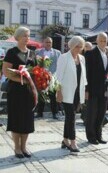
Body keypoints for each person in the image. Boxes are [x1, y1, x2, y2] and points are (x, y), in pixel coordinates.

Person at [3, 26, 37, 158]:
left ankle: (24, 147)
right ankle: (17, 148)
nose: (27, 38)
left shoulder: (32, 53)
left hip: (28, 92)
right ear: (18, 37)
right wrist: (22, 79)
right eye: (24, 36)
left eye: (28, 36)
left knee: (27, 120)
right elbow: (6, 71)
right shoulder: (12, 52)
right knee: (17, 119)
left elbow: (35, 71)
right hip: (16, 91)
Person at [56, 36, 87, 154]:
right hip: (66, 92)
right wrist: (58, 92)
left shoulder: (82, 58)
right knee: (71, 118)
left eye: (81, 46)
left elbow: (83, 77)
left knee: (70, 117)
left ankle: (65, 140)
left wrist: (84, 92)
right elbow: (58, 77)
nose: (78, 49)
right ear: (71, 46)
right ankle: (73, 142)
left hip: (78, 92)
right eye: (76, 46)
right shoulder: (64, 58)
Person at [85, 32, 108, 145]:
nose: (103, 42)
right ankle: (91, 136)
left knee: (101, 113)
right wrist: (86, 90)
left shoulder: (107, 54)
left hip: (103, 89)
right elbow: (87, 73)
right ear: (97, 40)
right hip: (92, 88)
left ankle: (98, 135)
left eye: (105, 40)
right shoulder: (90, 54)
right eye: (101, 40)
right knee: (92, 114)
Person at [35, 37, 61, 119]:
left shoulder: (57, 53)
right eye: (46, 42)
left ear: (52, 43)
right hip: (41, 77)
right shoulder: (38, 52)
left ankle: (55, 113)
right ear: (43, 43)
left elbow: (60, 65)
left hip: (53, 77)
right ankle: (39, 113)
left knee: (53, 96)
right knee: (41, 95)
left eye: (50, 42)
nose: (48, 44)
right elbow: (36, 64)